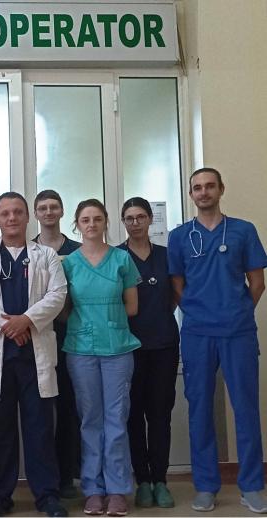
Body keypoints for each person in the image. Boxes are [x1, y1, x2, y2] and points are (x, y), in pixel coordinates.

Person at [167, 167, 267, 514]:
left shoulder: (243, 230)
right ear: (191, 194)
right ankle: (206, 486)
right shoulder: (180, 236)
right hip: (197, 333)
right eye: (197, 187)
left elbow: (257, 282)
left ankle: (251, 486)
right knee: (199, 410)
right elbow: (177, 286)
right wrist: (200, 313)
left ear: (221, 189)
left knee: (246, 409)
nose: (204, 192)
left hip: (238, 332)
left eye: (210, 186)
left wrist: (236, 312)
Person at [0, 192, 68, 518]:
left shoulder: (47, 255)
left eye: (17, 212)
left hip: (34, 356)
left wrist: (26, 320)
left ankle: (47, 495)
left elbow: (58, 294)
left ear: (27, 217)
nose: (11, 218)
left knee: (40, 429)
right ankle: (0, 494)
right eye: (5, 213)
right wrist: (8, 325)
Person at [62, 199, 141, 517]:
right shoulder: (68, 263)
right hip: (81, 350)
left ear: (106, 222)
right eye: (85, 219)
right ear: (77, 225)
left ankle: (117, 490)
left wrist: (106, 320)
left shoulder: (122, 259)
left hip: (117, 349)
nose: (91, 224)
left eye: (97, 218)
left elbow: (132, 307)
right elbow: (63, 309)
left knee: (116, 420)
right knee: (89, 421)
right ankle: (93, 490)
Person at [117, 197, 179, 509]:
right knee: (132, 415)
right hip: (128, 348)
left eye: (141, 217)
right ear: (123, 222)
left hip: (164, 345)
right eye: (129, 218)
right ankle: (142, 480)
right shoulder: (117, 257)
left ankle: (160, 480)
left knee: (159, 415)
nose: (136, 223)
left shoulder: (166, 256)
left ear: (150, 219)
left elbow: (175, 296)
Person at [31, 189, 82, 499]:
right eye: (43, 208)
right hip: (37, 336)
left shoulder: (78, 250)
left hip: (71, 337)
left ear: (62, 211)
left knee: (68, 408)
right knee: (40, 413)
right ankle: (44, 478)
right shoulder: (29, 250)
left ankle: (66, 477)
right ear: (36, 214)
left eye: (54, 207)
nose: (48, 212)